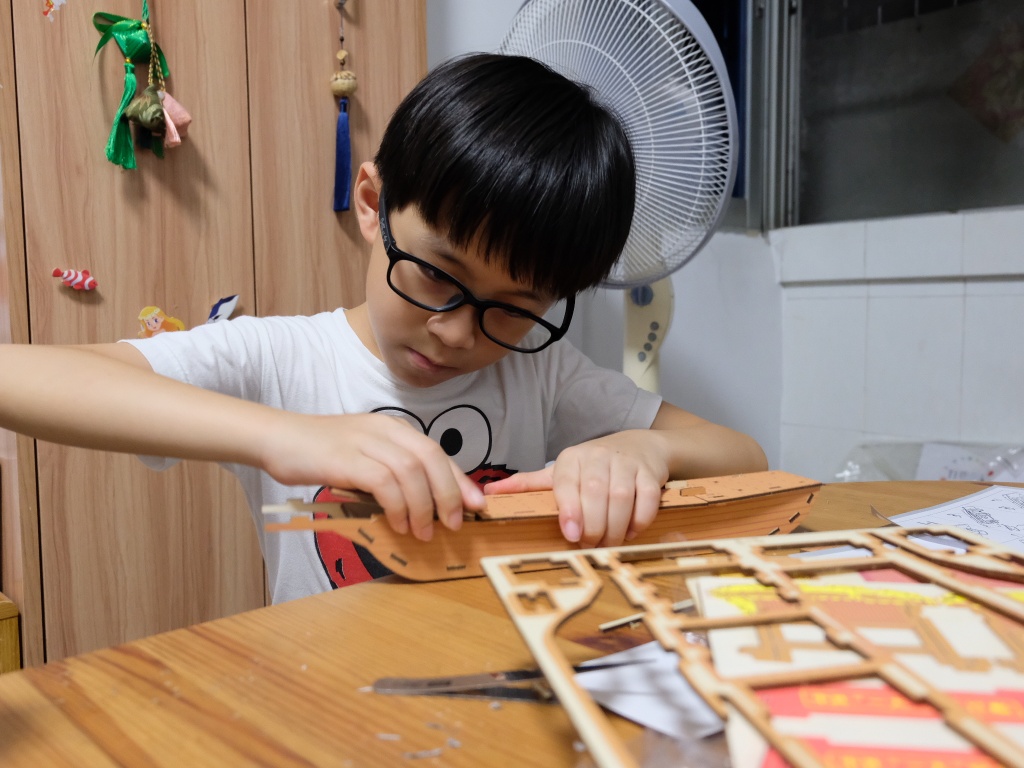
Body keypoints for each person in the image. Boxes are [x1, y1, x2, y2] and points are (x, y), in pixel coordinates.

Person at [0, 54, 766, 601]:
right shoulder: (281, 358)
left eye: (514, 306)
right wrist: (284, 435)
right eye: (436, 274)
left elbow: (745, 458)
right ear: (373, 204)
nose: (458, 334)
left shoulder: (540, 371)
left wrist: (644, 450)